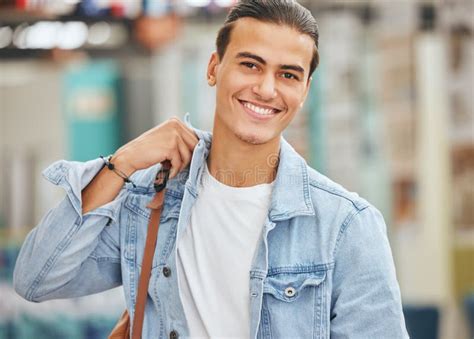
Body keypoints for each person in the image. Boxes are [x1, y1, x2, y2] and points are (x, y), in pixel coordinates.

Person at [13, 0, 409, 338]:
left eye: (288, 74)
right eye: (251, 65)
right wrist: (122, 163)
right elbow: (36, 278)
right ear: (213, 68)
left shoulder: (346, 226)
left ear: (304, 91)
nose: (267, 89)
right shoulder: (149, 200)